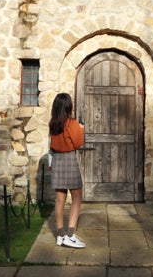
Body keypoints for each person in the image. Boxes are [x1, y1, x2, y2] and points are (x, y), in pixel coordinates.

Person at [48, 92, 86, 248]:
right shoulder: (72, 123)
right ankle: (70, 236)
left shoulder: (53, 124)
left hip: (57, 161)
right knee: (76, 197)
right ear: (69, 106)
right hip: (69, 160)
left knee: (60, 200)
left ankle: (60, 235)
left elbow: (50, 144)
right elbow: (78, 143)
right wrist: (81, 129)